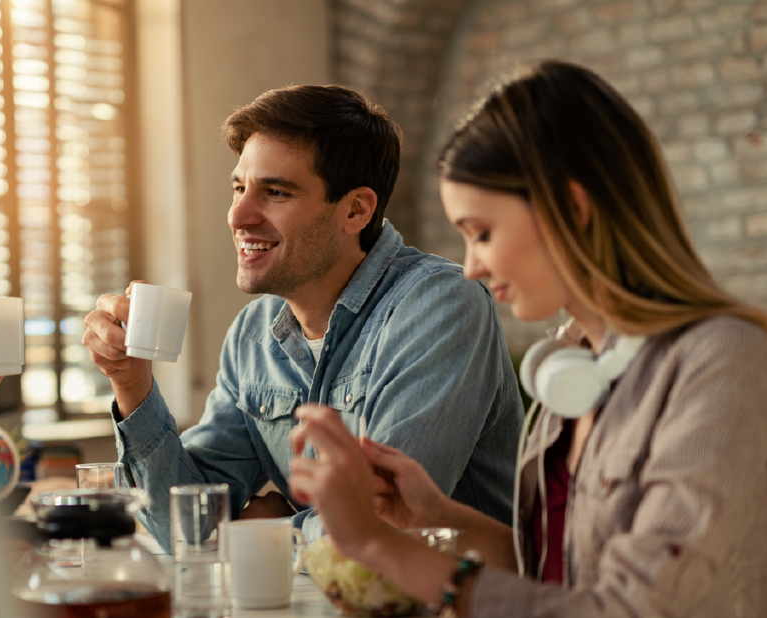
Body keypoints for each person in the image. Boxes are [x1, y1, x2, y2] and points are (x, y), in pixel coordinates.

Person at [288, 61, 767, 618]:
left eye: (482, 233)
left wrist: (375, 544)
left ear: (572, 210)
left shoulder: (725, 363)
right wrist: (436, 517)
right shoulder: (571, 363)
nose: (470, 266)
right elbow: (556, 578)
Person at [82, 84, 523, 547]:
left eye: (275, 192)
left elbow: (383, 525)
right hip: (317, 612)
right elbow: (185, 528)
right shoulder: (253, 335)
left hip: (454, 613)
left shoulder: (440, 305)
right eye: (238, 188)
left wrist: (262, 534)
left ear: (355, 210)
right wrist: (131, 383)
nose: (238, 215)